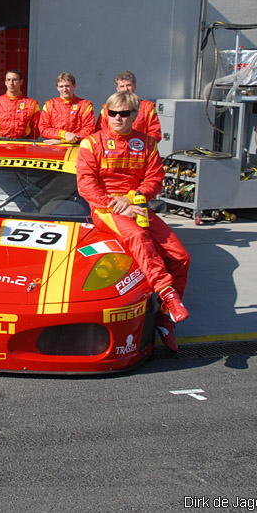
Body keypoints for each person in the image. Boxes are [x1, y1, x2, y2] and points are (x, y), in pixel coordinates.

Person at [76, 91, 190, 351]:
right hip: (105, 209)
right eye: (113, 112)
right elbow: (85, 184)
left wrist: (133, 198)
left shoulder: (147, 144)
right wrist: (115, 205)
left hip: (136, 205)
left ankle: (164, 318)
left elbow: (155, 179)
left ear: (135, 115)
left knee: (181, 256)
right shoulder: (92, 143)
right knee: (139, 238)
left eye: (124, 113)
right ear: (106, 113)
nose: (118, 118)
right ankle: (168, 296)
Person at [96, 71, 162, 140]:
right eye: (122, 86)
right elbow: (100, 131)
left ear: (135, 86)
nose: (125, 89)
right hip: (112, 148)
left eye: (128, 85)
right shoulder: (108, 108)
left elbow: (155, 132)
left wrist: (141, 145)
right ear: (117, 89)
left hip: (139, 148)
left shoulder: (148, 107)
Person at [39, 71, 95, 145]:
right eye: (61, 86)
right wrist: (65, 134)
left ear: (74, 86)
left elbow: (89, 130)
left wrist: (64, 141)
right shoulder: (49, 104)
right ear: (57, 88)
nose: (64, 89)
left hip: (77, 147)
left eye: (67, 86)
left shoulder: (85, 105)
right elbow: (43, 129)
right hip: (53, 148)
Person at [0, 68, 39, 139]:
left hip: (23, 143)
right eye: (8, 80)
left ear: (21, 82)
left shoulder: (31, 104)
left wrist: (28, 142)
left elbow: (36, 127)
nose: (11, 83)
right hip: (1, 142)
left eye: (14, 80)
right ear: (5, 82)